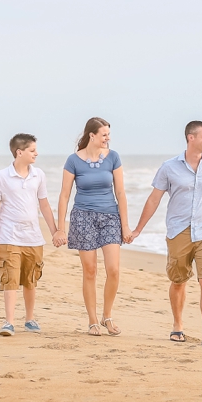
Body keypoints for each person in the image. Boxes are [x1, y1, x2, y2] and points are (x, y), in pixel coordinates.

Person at [129, 121, 202, 346]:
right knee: (178, 281)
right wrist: (138, 229)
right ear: (190, 138)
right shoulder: (169, 167)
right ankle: (178, 326)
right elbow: (155, 198)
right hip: (178, 231)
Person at [53, 117, 131, 337]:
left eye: (109, 135)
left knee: (113, 270)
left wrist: (125, 226)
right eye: (104, 134)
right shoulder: (73, 161)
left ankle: (107, 316)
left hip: (110, 217)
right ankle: (93, 321)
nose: (108, 138)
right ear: (92, 136)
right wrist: (61, 228)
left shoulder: (113, 157)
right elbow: (64, 195)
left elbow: (121, 193)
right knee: (90, 271)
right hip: (83, 217)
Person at [0, 133, 59, 336]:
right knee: (9, 278)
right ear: (20, 152)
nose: (36, 153)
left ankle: (30, 319)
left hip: (33, 238)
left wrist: (55, 231)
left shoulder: (39, 175)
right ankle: (8, 322)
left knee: (30, 279)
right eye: (32, 150)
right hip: (8, 237)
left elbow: (44, 205)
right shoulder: (2, 176)